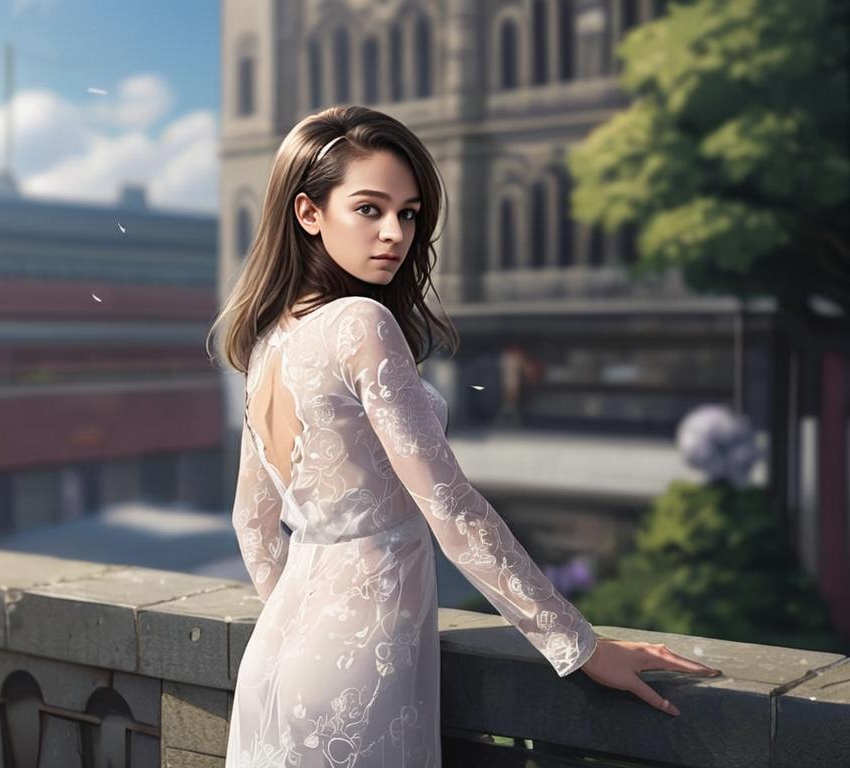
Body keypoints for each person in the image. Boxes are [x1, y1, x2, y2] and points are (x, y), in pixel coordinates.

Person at [207, 105, 721, 767]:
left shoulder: (269, 345)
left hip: (279, 652)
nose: (395, 232)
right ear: (309, 214)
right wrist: (580, 645)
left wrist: (299, 618)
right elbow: (450, 509)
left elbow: (251, 521)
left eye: (410, 213)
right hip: (363, 656)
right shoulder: (360, 322)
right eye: (369, 209)